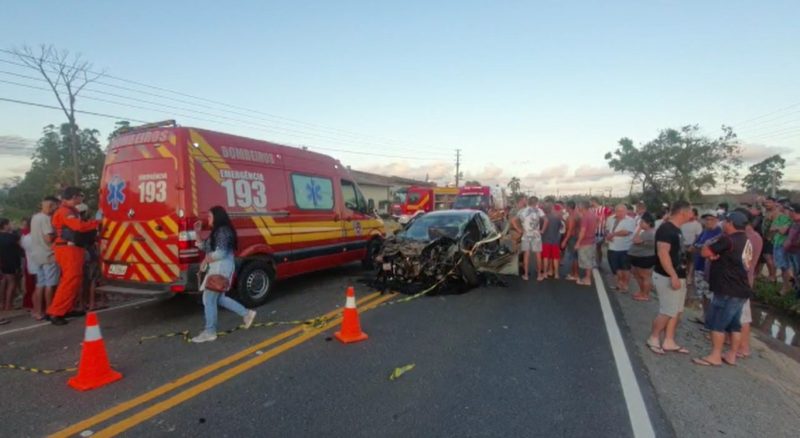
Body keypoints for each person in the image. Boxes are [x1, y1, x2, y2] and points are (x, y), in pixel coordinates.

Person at [693, 212, 754, 367]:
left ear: (730, 222)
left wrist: (710, 249)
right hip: (741, 288)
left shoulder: (728, 239)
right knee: (734, 325)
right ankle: (731, 354)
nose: (723, 224)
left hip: (726, 288)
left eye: (725, 221)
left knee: (717, 323)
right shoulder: (746, 240)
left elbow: (705, 251)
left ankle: (715, 355)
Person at [191, 206, 257, 343]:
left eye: (210, 216)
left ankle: (210, 331)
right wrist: (197, 232)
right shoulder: (218, 231)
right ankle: (247, 314)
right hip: (218, 268)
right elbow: (205, 247)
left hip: (220, 269)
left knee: (209, 299)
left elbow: (220, 253)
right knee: (219, 298)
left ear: (217, 216)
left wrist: (206, 260)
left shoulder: (223, 231)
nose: (207, 219)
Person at [47, 187, 99, 326]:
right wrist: (97, 223)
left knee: (73, 280)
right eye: (81, 196)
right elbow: (79, 227)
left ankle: (65, 309)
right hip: (68, 249)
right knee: (70, 281)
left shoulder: (70, 210)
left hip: (72, 248)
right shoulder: (65, 211)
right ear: (75, 197)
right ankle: (56, 312)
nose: (82, 198)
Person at [646, 201, 692, 355]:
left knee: (677, 311)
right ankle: (653, 337)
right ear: (683, 213)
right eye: (690, 211)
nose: (692, 214)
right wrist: (673, 275)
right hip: (667, 276)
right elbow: (663, 253)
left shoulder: (677, 229)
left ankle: (669, 340)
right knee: (667, 311)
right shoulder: (666, 229)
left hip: (679, 275)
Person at [731, 208, 762, 359]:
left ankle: (743, 348)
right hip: (742, 280)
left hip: (741, 281)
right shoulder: (752, 236)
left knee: (743, 316)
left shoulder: (750, 238)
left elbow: (744, 263)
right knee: (739, 314)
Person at [27, 197, 60, 320]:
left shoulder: (35, 217)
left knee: (40, 284)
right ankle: (50, 310)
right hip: (48, 255)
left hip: (37, 255)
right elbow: (48, 238)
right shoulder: (46, 219)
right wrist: (58, 233)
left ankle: (38, 311)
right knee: (50, 284)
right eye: (55, 206)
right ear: (50, 206)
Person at [692, 212, 722, 323]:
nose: (708, 221)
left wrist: (700, 247)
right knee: (702, 294)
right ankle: (705, 316)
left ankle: (711, 320)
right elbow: (695, 245)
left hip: (709, 269)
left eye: (711, 219)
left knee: (710, 295)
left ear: (717, 219)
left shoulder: (719, 233)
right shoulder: (704, 231)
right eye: (706, 219)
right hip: (699, 266)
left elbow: (707, 247)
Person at [605, 204, 636, 292]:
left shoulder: (630, 220)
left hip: (624, 248)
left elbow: (626, 232)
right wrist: (608, 234)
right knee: (615, 267)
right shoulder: (610, 218)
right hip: (612, 246)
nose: (619, 213)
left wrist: (613, 234)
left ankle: (625, 285)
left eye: (622, 211)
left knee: (625, 268)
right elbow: (607, 229)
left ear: (626, 211)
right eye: (618, 211)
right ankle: (619, 283)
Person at [514, 196, 545, 281]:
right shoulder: (539, 210)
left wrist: (519, 230)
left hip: (526, 235)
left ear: (529, 202)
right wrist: (542, 230)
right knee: (538, 255)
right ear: (536, 202)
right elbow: (546, 220)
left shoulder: (522, 211)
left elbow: (513, 221)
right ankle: (539, 275)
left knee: (526, 255)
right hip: (536, 235)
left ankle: (526, 275)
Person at [628, 212, 657, 301]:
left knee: (644, 276)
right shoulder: (646, 232)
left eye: (642, 222)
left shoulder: (650, 233)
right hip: (638, 256)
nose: (640, 224)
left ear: (648, 223)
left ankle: (645, 294)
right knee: (638, 275)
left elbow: (635, 240)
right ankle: (642, 291)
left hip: (645, 257)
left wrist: (639, 228)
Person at [770, 203, 793, 295]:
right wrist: (779, 228)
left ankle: (786, 287)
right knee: (783, 267)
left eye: (779, 206)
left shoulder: (792, 220)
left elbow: (783, 231)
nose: (778, 208)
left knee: (785, 267)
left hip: (785, 245)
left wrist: (778, 228)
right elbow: (772, 228)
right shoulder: (780, 217)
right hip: (777, 243)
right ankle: (786, 286)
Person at [0, 218, 23, 312]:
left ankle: (2, 302)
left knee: (5, 281)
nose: (10, 225)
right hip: (12, 262)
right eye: (9, 224)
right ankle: (8, 305)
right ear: (5, 225)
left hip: (3, 262)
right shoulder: (12, 236)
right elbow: (22, 246)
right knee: (12, 283)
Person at [575, 201, 597, 286]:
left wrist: (578, 242)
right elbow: (598, 221)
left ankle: (587, 279)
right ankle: (587, 277)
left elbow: (582, 231)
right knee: (590, 260)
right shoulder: (592, 214)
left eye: (578, 207)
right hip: (592, 240)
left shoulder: (585, 217)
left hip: (585, 242)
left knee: (586, 261)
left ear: (581, 208)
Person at [681, 208, 703, 285]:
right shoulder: (682, 223)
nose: (690, 215)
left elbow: (698, 236)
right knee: (684, 261)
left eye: (692, 214)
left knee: (692, 261)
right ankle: (686, 274)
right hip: (682, 245)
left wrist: (692, 245)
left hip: (692, 246)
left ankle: (689, 276)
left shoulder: (697, 224)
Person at [541, 203, 562, 279]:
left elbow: (541, 229)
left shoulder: (543, 218)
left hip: (545, 240)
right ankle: (556, 274)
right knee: (555, 258)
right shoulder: (557, 218)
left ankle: (545, 273)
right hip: (555, 240)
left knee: (546, 257)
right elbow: (560, 228)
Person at [759, 196, 778, 282]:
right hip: (765, 237)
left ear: (774, 203)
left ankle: (772, 276)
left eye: (769, 202)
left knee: (769, 257)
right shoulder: (767, 210)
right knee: (767, 257)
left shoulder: (775, 213)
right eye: (766, 203)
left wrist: (770, 237)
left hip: (770, 238)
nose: (767, 204)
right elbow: (761, 203)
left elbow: (775, 227)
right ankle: (771, 275)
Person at [784, 203, 800, 299]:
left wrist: (790, 243)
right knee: (795, 274)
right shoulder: (794, 222)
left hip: (797, 253)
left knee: (798, 273)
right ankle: (796, 293)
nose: (789, 212)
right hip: (791, 252)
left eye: (790, 211)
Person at [561, 200, 580, 281]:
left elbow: (570, 230)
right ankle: (573, 273)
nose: (565, 208)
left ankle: (575, 274)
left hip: (572, 238)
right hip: (575, 237)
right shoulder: (577, 215)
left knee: (573, 257)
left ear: (568, 207)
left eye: (566, 207)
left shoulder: (571, 216)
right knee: (574, 257)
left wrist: (565, 240)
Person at [590, 197, 611, 267]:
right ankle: (594, 261)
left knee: (598, 247)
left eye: (591, 202)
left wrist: (607, 229)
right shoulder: (591, 210)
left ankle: (599, 261)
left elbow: (609, 218)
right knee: (593, 247)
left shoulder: (605, 209)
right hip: (593, 232)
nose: (590, 203)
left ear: (594, 201)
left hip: (601, 232)